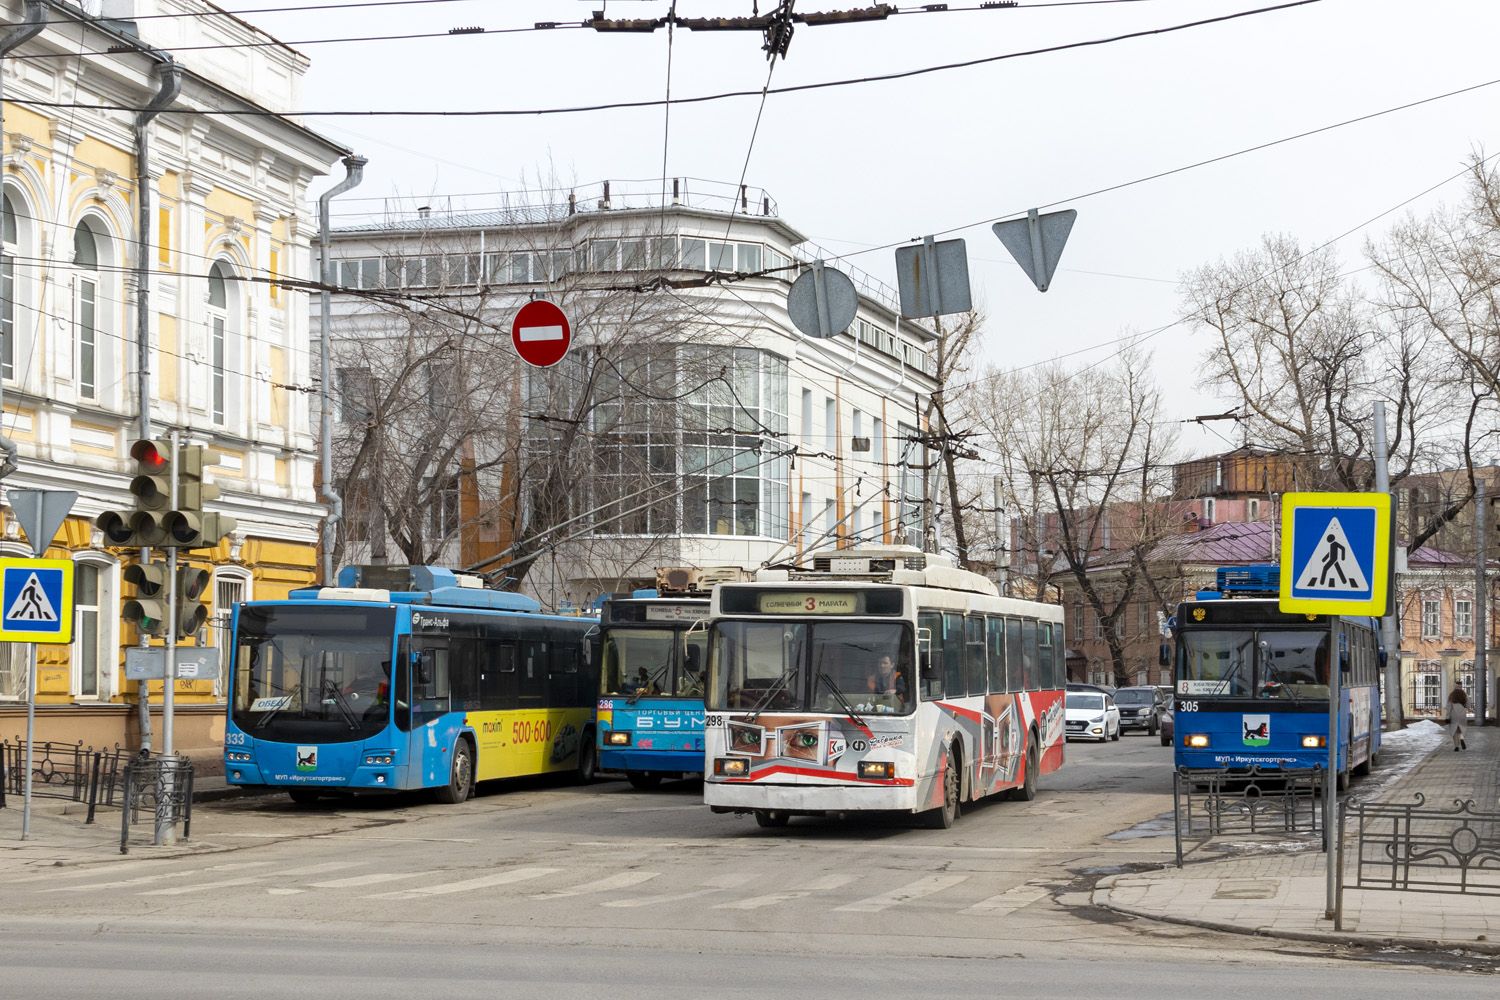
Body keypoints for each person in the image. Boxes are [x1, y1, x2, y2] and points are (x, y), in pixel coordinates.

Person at [1447, 679, 1469, 751]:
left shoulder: (1451, 696)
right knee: (1461, 728)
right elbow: (1468, 705)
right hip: (1462, 715)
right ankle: (1462, 738)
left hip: (1454, 715)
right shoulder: (1465, 695)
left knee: (1455, 731)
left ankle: (1456, 746)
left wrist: (1448, 717)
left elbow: (1449, 707)